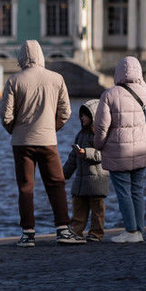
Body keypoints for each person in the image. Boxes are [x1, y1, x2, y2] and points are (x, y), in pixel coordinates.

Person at [0, 39, 82, 246]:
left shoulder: (14, 80)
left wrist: (15, 131)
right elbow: (66, 112)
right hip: (48, 141)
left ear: (21, 57)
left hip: (21, 143)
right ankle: (63, 229)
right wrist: (51, 129)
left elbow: (5, 115)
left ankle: (28, 233)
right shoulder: (56, 78)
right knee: (57, 184)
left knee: (26, 188)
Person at [92, 56, 146, 243]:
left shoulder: (109, 94)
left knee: (124, 192)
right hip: (141, 149)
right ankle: (139, 231)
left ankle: (131, 230)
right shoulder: (144, 92)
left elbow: (102, 126)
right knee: (138, 190)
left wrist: (98, 145)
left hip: (119, 151)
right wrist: (138, 80)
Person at [62, 100, 110, 241]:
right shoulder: (80, 134)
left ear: (94, 116)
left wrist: (86, 153)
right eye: (81, 115)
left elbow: (105, 154)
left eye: (85, 115)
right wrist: (62, 175)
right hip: (81, 181)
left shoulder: (102, 134)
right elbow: (72, 159)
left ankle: (96, 234)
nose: (82, 118)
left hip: (97, 180)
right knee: (78, 209)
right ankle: (76, 232)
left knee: (97, 211)